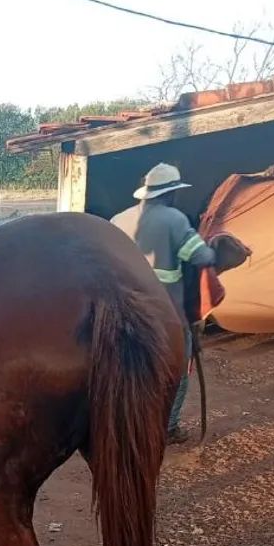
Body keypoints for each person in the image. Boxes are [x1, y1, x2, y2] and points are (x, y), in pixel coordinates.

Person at [111, 163, 215, 443]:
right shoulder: (175, 219)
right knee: (178, 370)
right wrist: (215, 247)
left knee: (124, 371)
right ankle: (167, 427)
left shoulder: (118, 219)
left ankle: (122, 424)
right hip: (166, 314)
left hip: (122, 313)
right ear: (170, 194)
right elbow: (201, 257)